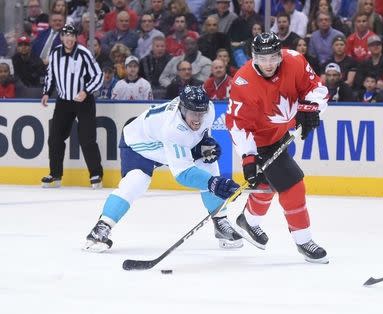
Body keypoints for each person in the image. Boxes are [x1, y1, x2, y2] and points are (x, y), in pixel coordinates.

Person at [85, 85, 242, 252]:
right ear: (182, 109)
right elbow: (183, 174)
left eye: (200, 113)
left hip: (163, 142)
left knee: (207, 161)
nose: (197, 119)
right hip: (139, 145)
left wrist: (205, 144)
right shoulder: (172, 127)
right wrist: (214, 184)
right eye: (193, 114)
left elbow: (201, 134)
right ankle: (101, 227)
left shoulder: (208, 110)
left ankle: (220, 220)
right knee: (136, 181)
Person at [225, 33, 329, 264]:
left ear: (280, 54)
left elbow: (316, 88)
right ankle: (304, 240)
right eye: (263, 58)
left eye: (273, 57)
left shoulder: (294, 60)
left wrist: (311, 107)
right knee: (293, 185)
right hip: (260, 141)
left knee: (266, 183)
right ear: (253, 57)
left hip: (281, 133)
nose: (269, 63)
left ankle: (248, 221)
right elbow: (238, 125)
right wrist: (248, 157)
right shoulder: (243, 82)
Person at [41, 24, 104, 189]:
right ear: (61, 37)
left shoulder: (84, 53)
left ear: (76, 38)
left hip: (83, 101)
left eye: (72, 36)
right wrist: (47, 92)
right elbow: (50, 75)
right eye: (65, 35)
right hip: (63, 101)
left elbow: (98, 75)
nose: (69, 39)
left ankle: (96, 174)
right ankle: (55, 175)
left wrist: (86, 91)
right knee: (55, 138)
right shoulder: (55, 53)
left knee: (87, 139)